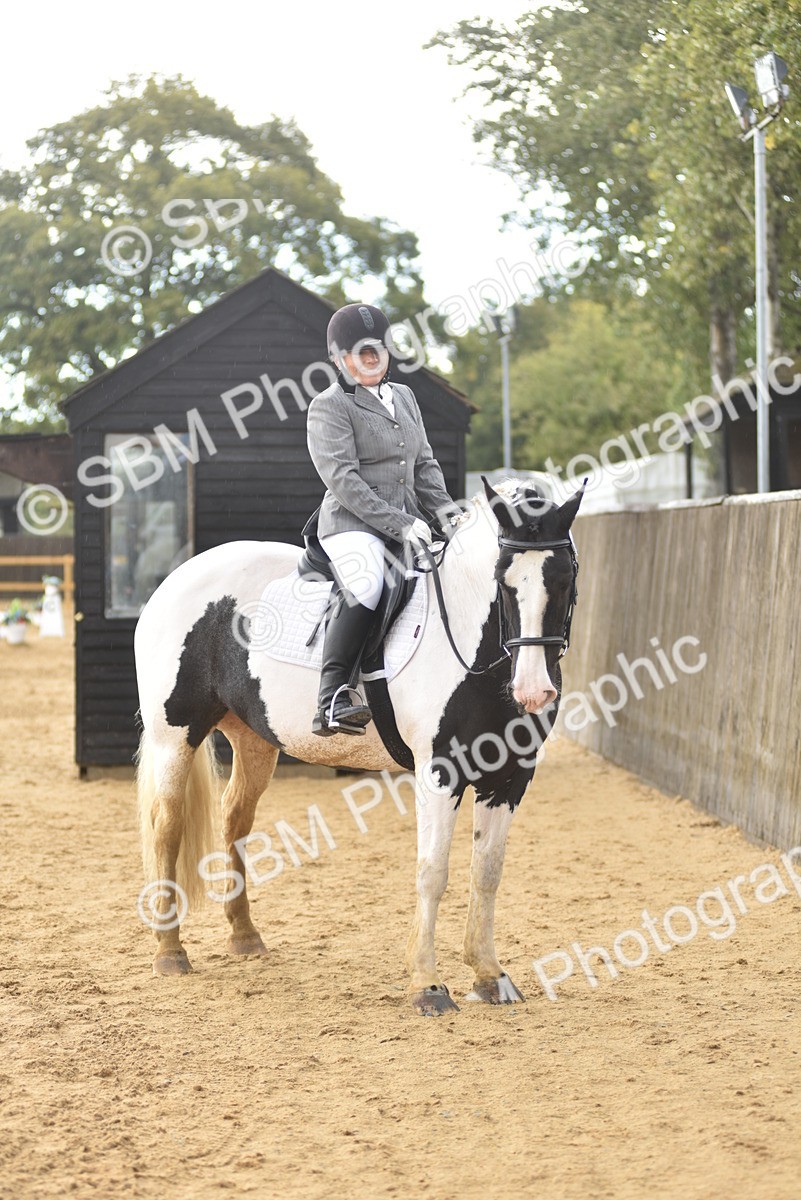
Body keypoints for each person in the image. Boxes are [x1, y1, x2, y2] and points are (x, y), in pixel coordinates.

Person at [306, 302, 461, 737]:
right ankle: (332, 697)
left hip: (411, 522)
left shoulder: (406, 397)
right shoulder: (329, 406)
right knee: (369, 579)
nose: (372, 357)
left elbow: (425, 465)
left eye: (378, 348)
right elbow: (344, 481)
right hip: (352, 525)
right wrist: (400, 523)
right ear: (338, 359)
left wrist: (448, 516)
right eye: (360, 351)